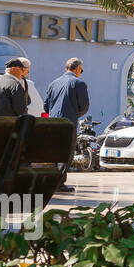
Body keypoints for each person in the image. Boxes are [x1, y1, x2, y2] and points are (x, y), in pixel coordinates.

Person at [43, 57, 89, 194]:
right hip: (68, 123)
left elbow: (46, 106)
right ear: (77, 69)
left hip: (53, 122)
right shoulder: (79, 83)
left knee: (54, 152)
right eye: (81, 70)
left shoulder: (53, 83)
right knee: (65, 153)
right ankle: (59, 183)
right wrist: (74, 114)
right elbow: (84, 106)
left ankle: (51, 181)